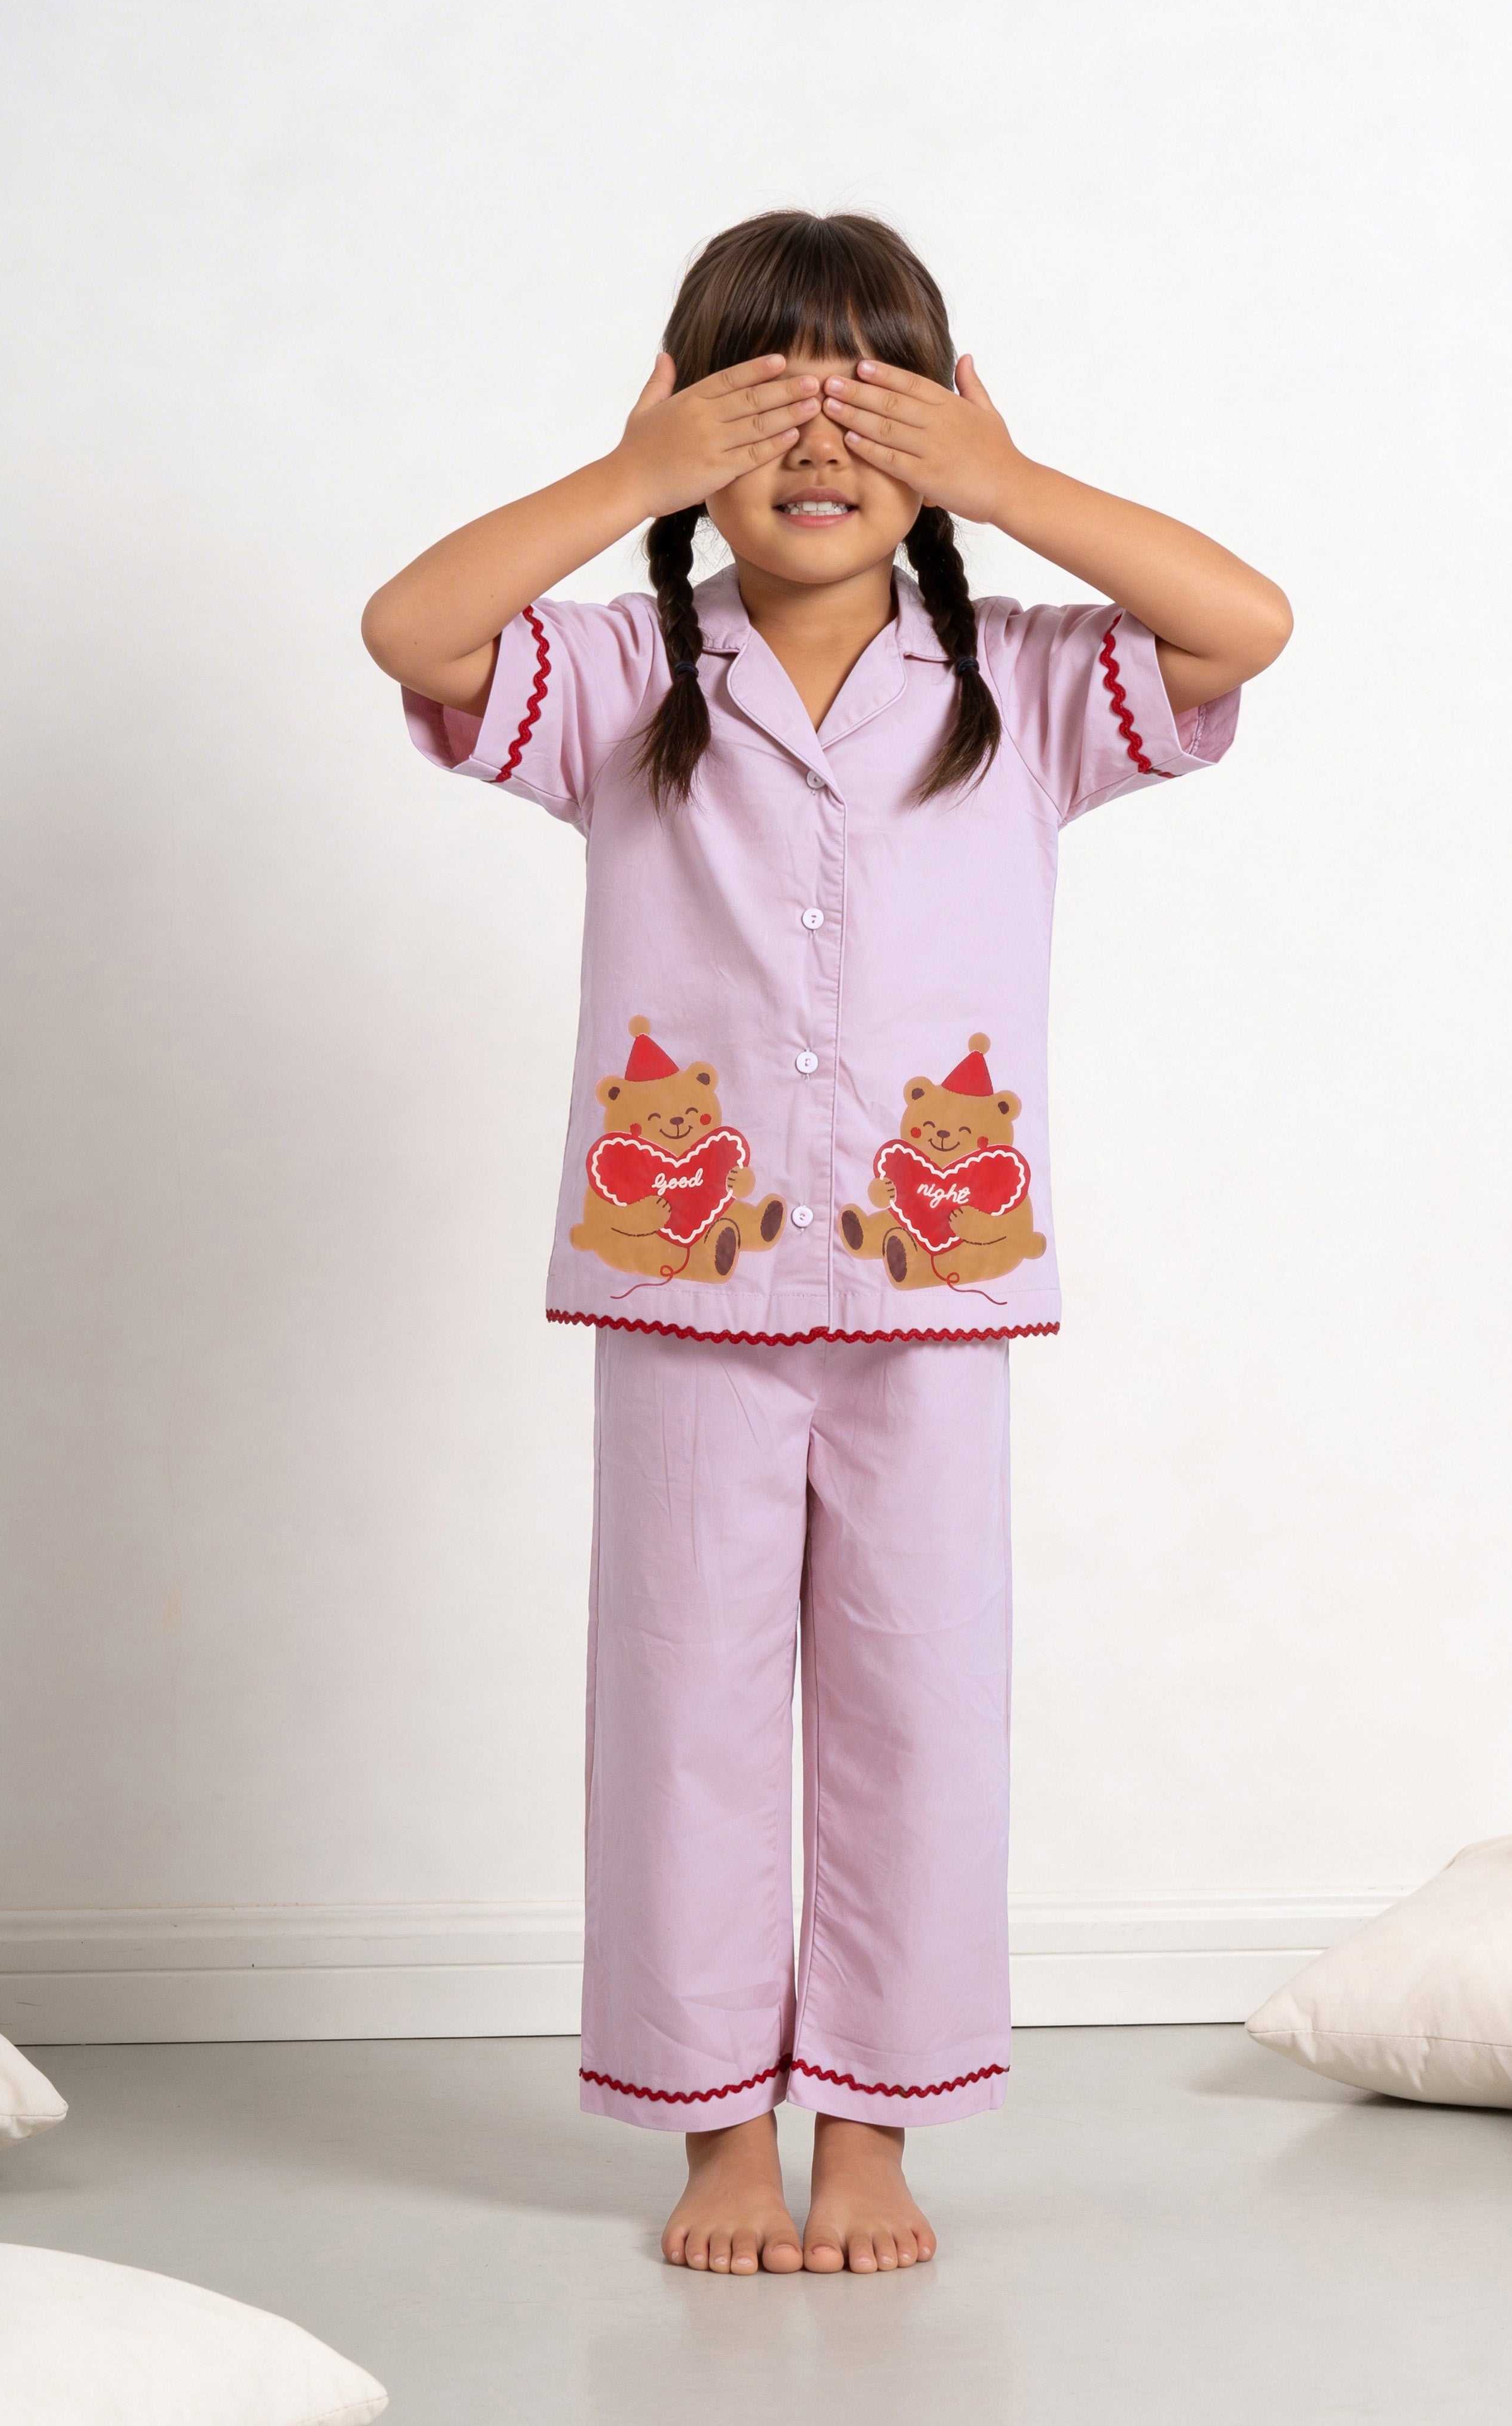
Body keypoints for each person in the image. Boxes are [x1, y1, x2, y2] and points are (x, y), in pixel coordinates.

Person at [362, 209, 1290, 2277]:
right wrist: (631, 479)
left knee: (914, 1701)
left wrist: (1014, 486)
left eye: (868, 390)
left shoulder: (1023, 686)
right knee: (683, 1707)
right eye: (766, 387)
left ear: (943, 423)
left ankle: (874, 2128)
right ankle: (709, 2134)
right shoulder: (615, 674)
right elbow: (411, 633)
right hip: (681, 1288)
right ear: (690, 417)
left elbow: (1248, 624)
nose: (816, 429)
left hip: (929, 1304)